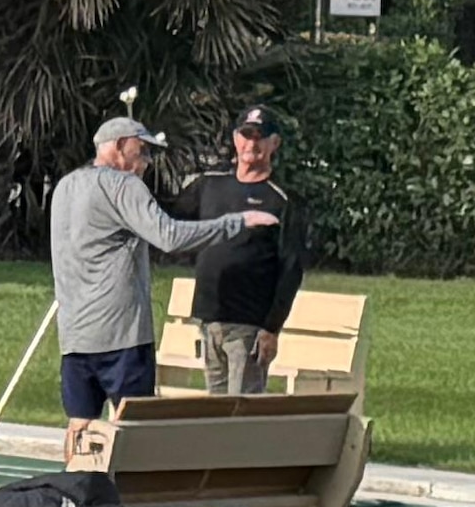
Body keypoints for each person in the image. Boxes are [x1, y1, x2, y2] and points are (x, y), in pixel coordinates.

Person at [47, 111, 274, 430]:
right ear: (120, 146)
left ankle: (77, 478)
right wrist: (237, 221)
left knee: (80, 426)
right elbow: (168, 236)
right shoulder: (122, 185)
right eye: (142, 151)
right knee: (133, 427)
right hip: (121, 336)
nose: (147, 161)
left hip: (74, 335)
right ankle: (124, 482)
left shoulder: (65, 187)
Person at [174, 101, 307, 391]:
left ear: (275, 143)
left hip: (249, 325)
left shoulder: (282, 200)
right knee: (216, 411)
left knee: (242, 411)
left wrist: (272, 327)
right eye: (246, 135)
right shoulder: (209, 185)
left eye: (261, 136)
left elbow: (291, 268)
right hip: (209, 317)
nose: (252, 143)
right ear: (236, 139)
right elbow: (169, 219)